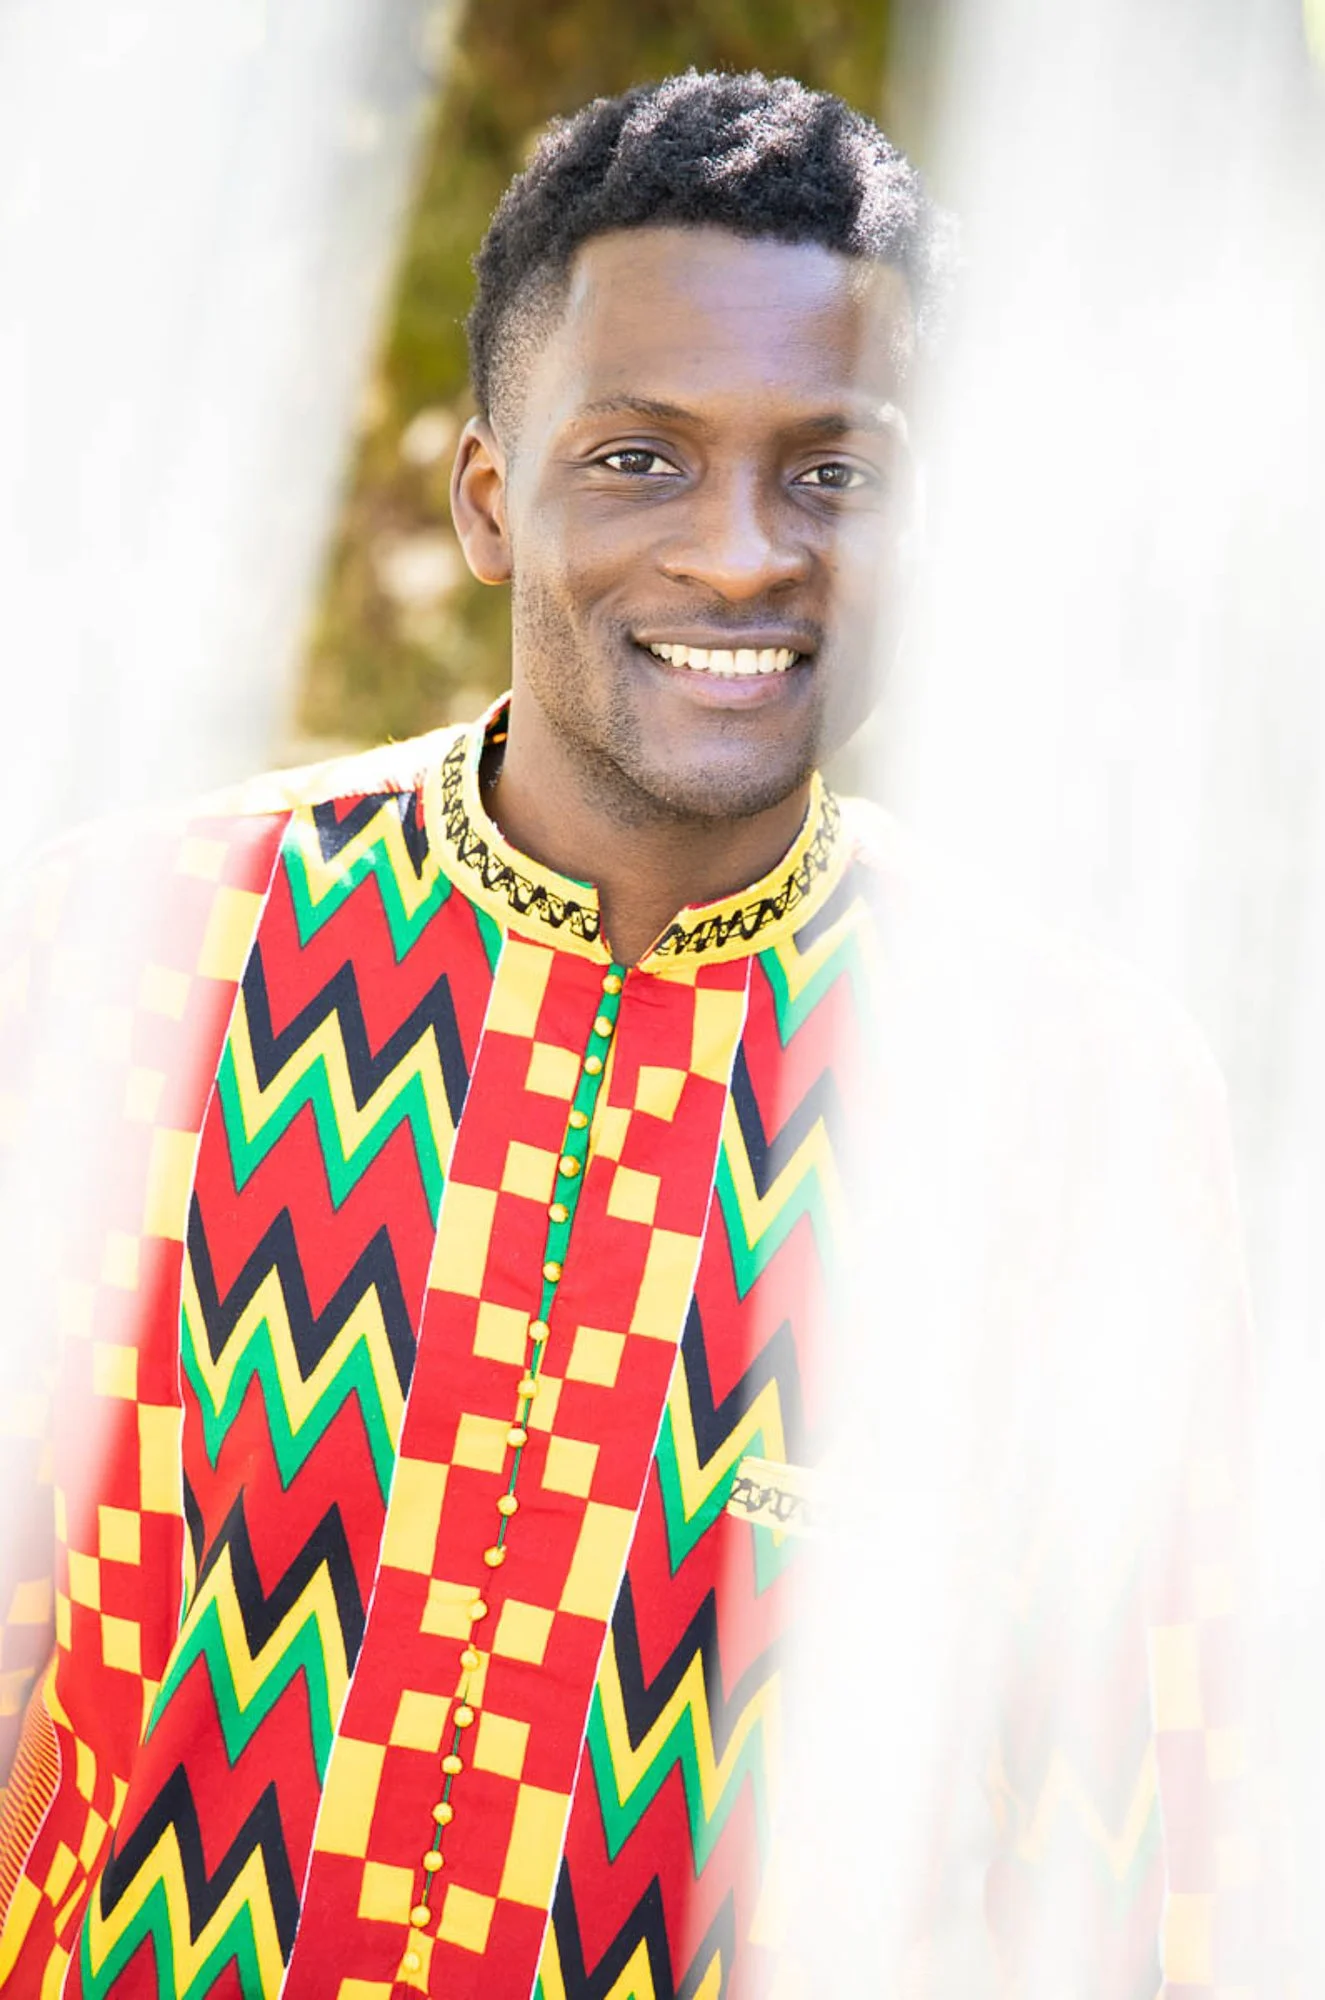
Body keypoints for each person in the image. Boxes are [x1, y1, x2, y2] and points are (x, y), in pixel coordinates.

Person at [0, 68, 1258, 2000]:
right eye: (640, 459)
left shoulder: (1073, 1113)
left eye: (834, 474)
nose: (745, 554)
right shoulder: (117, 960)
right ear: (495, 499)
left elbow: (1121, 1861)